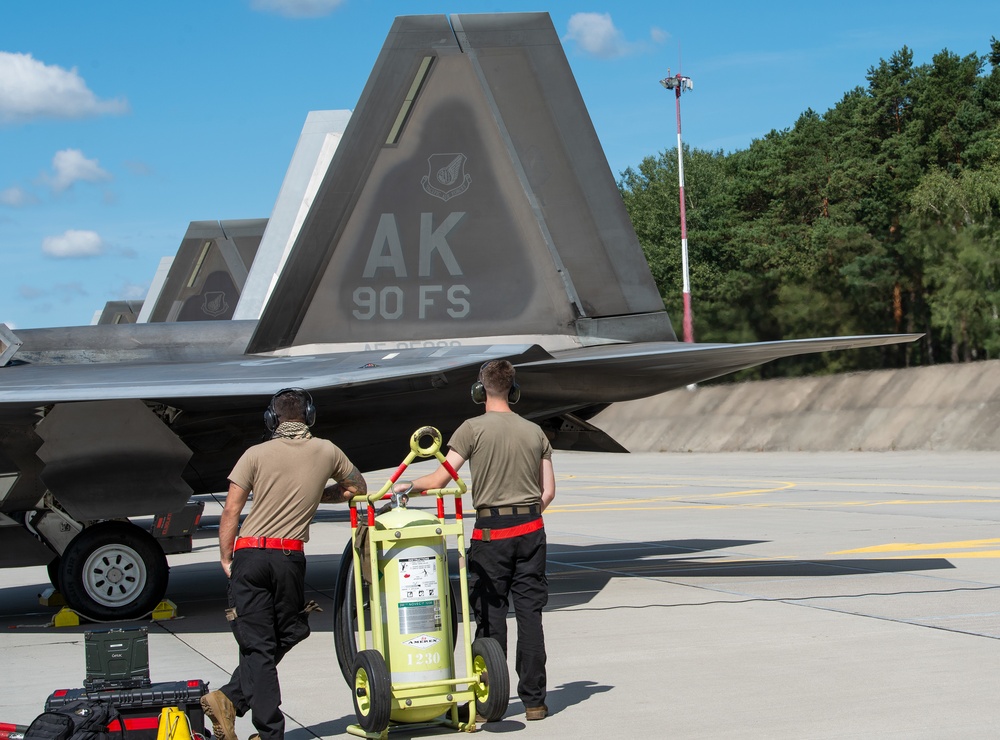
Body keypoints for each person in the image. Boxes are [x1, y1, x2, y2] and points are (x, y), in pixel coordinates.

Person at [201, 388, 367, 740]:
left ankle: (229, 699)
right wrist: (318, 492)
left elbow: (231, 509)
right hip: (289, 558)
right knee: (280, 636)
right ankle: (268, 731)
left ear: (271, 418)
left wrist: (225, 555)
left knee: (268, 641)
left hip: (249, 556)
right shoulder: (327, 450)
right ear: (309, 415)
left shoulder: (254, 454)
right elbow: (356, 487)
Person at [393, 360, 555, 721]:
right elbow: (548, 492)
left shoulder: (471, 429)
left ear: (480, 391)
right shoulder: (535, 431)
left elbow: (438, 480)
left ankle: (489, 701)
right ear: (514, 390)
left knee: (489, 615)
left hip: (491, 532)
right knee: (530, 615)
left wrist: (406, 487)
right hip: (531, 529)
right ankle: (534, 701)